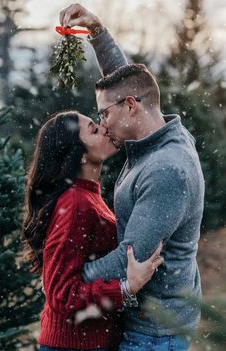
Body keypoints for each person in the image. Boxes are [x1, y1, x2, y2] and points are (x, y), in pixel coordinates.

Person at [59, 4, 205, 351]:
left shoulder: (166, 169)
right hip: (145, 324)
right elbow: (127, 81)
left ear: (130, 107)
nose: (103, 123)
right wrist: (97, 32)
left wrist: (68, 280)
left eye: (104, 113)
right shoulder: (157, 132)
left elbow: (131, 259)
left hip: (154, 334)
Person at [21, 111, 163, 351]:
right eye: (94, 129)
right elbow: (61, 294)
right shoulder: (76, 203)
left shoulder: (87, 195)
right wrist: (126, 288)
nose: (105, 128)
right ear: (80, 156)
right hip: (72, 344)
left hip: (88, 342)